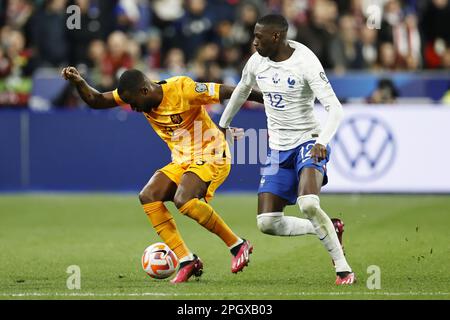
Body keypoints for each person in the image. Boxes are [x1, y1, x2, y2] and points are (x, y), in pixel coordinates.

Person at [62, 66, 263, 283]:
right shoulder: (134, 92)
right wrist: (79, 82)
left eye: (133, 103)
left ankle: (237, 245)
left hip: (212, 154)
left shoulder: (183, 89)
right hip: (183, 160)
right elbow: (97, 100)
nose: (132, 107)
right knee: (149, 196)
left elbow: (230, 90)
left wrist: (269, 101)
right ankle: (187, 260)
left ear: (145, 91)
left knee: (183, 200)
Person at [218, 14, 355, 285]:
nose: (254, 42)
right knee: (267, 223)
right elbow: (242, 90)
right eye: (253, 36)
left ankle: (343, 269)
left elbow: (335, 109)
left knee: (308, 204)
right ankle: (329, 228)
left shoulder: (305, 62)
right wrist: (223, 125)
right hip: (277, 147)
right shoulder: (257, 62)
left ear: (276, 37)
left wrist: (321, 142)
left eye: (259, 37)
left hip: (308, 140)